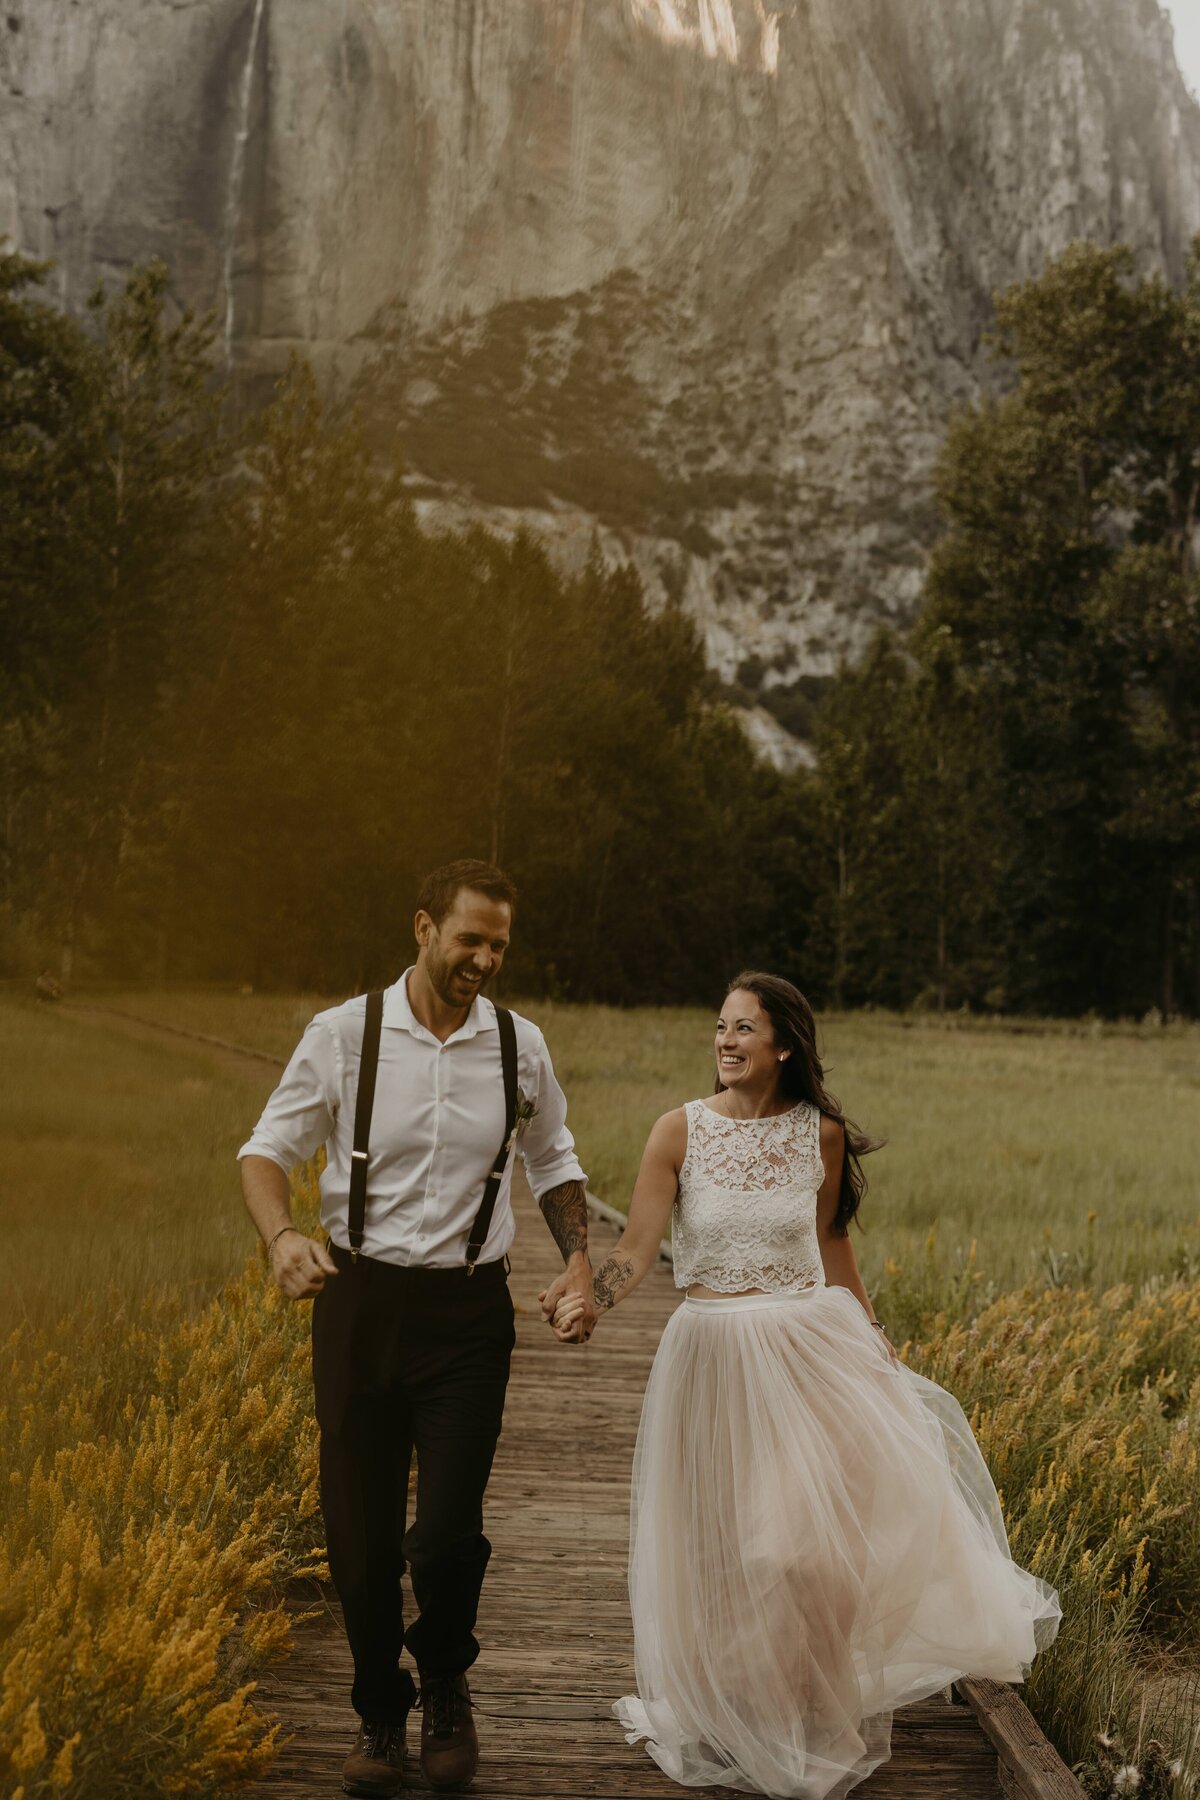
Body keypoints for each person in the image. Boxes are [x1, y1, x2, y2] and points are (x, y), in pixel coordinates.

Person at [543, 971, 1061, 1800]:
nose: (725, 1041)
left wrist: (873, 1335)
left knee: (807, 1553)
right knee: (735, 1555)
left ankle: (814, 1719)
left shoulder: (818, 1135)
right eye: (720, 1026)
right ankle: (751, 1709)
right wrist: (591, 1304)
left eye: (744, 1028)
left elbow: (830, 1246)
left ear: (784, 1044)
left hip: (808, 1350)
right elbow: (637, 1247)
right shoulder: (677, 1131)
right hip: (711, 1362)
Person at [239, 860, 596, 1797]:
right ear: (423, 929)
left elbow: (553, 1156)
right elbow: (265, 1150)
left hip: (467, 1313)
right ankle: (376, 1708)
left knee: (441, 1537)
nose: (485, 958)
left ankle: (443, 1680)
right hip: (358, 1304)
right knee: (357, 1540)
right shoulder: (343, 1035)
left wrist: (577, 1260)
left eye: (500, 945)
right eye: (470, 938)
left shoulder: (521, 1047)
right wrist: (281, 1237)